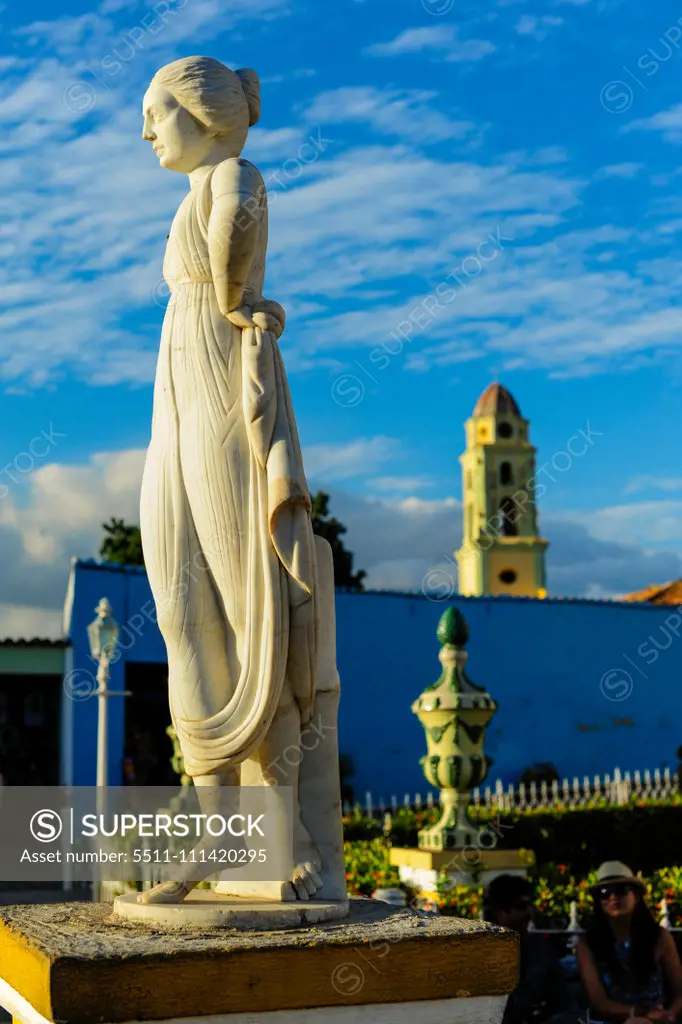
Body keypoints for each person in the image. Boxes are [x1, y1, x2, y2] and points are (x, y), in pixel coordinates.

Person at [576, 860, 682, 1023]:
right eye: (604, 892)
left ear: (637, 896)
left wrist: (670, 1015)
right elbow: (600, 1003)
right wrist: (640, 1014)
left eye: (620, 890)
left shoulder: (659, 937)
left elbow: (680, 989)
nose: (613, 897)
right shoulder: (588, 945)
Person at [484, 874, 572, 1023]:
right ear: (499, 912)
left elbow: (561, 1001)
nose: (529, 914)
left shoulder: (540, 949)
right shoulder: (477, 955)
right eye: (521, 907)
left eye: (530, 906)